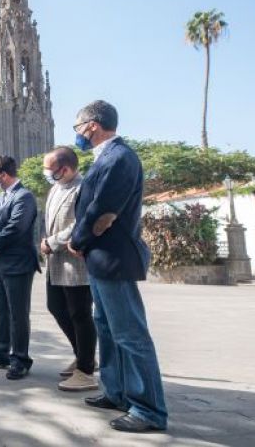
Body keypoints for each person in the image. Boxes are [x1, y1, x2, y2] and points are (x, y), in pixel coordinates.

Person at [68, 100, 167, 433]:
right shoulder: (105, 159)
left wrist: (77, 240)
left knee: (130, 333)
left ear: (93, 125)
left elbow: (103, 212)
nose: (77, 134)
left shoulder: (120, 158)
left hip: (113, 257)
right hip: (100, 259)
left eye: (78, 127)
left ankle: (148, 410)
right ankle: (116, 392)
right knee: (107, 328)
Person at [40, 147, 98, 392]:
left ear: (65, 169)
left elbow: (81, 223)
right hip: (56, 264)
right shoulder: (55, 188)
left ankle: (85, 372)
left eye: (49, 169)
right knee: (56, 307)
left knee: (80, 314)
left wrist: (51, 242)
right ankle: (83, 355)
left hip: (76, 263)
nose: (46, 173)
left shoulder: (83, 188)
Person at [0, 155, 39, 380]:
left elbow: (16, 227)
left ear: (3, 174)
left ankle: (20, 359)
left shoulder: (24, 197)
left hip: (18, 264)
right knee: (0, 311)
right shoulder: (0, 197)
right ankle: (0, 353)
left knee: (18, 314)